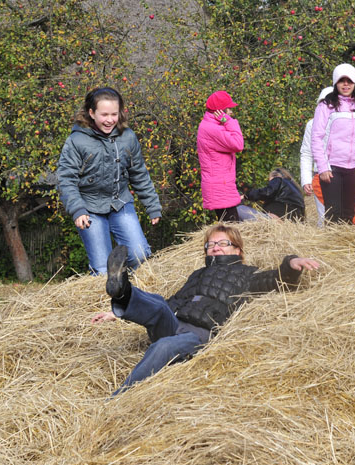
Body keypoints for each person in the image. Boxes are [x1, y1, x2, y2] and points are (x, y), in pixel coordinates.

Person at [92, 224, 320, 395]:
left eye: (222, 244)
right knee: (161, 304)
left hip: (200, 334)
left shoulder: (248, 274)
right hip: (173, 321)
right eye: (210, 245)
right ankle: (121, 292)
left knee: (164, 345)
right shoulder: (197, 274)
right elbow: (174, 301)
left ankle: (119, 398)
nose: (215, 248)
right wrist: (116, 314)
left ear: (238, 250)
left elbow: (276, 280)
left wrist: (291, 264)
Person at [57, 87, 161, 274]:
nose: (110, 120)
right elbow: (66, 179)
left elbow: (139, 174)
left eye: (114, 114)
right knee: (102, 269)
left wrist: (152, 205)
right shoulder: (77, 141)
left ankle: (128, 292)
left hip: (119, 202)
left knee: (140, 254)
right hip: (89, 208)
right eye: (104, 114)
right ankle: (106, 294)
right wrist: (77, 210)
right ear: (91, 113)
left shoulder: (127, 137)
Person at [311, 64, 355, 223]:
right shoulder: (326, 106)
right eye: (341, 81)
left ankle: (345, 246)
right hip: (332, 168)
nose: (346, 84)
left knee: (349, 213)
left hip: (353, 168)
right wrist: (322, 167)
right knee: (333, 214)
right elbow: (317, 138)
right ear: (336, 83)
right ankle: (330, 246)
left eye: (349, 81)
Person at [197, 90, 244, 222]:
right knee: (232, 229)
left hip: (221, 185)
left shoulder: (211, 126)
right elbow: (238, 144)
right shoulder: (212, 129)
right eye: (228, 109)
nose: (231, 113)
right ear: (219, 111)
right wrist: (228, 121)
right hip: (220, 187)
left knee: (231, 228)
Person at [300, 86, 335, 226]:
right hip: (320, 176)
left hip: (343, 172)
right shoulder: (311, 124)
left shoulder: (348, 121)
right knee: (324, 216)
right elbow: (307, 153)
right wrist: (306, 179)